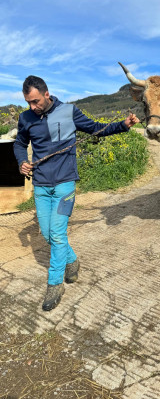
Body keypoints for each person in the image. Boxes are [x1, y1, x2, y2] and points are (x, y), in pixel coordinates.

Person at [14, 75, 139, 311]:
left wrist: (122, 126)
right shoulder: (26, 118)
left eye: (36, 101)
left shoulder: (69, 111)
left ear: (47, 94)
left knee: (58, 235)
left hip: (64, 184)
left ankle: (54, 285)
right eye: (28, 102)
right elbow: (19, 143)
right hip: (40, 185)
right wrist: (22, 161)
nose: (33, 107)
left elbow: (96, 129)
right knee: (49, 235)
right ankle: (72, 261)